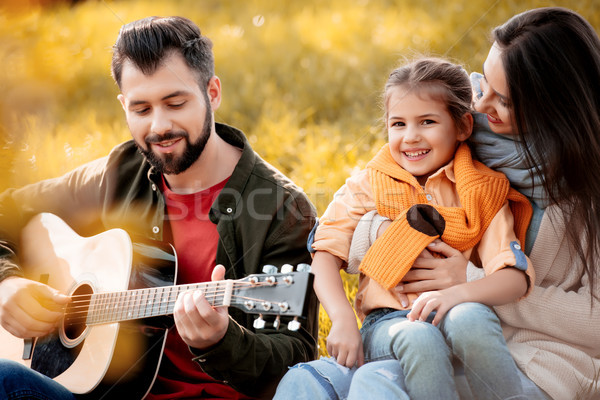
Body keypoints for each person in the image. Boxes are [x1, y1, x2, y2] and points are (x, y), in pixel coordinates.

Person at [280, 6, 600, 400]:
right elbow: (340, 233)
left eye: (504, 100)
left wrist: (466, 281)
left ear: (552, 109)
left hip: (533, 357)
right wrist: (387, 238)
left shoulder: (489, 180)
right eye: (484, 85)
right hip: (409, 326)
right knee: (308, 383)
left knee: (386, 375)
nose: (480, 107)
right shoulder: (457, 125)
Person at [0, 16, 318, 399]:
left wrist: (222, 341)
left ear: (212, 92)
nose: (160, 126)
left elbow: (297, 358)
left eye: (175, 102)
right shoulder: (120, 172)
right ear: (123, 106)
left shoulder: (283, 209)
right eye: (141, 109)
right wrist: (8, 281)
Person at [275, 57, 536, 400]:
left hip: (456, 312)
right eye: (398, 124)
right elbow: (324, 254)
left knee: (471, 317)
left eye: (427, 121)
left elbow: (514, 277)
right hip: (387, 325)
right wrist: (341, 319)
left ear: (463, 127)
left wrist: (457, 292)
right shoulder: (368, 185)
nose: (410, 137)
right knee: (418, 336)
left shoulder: (481, 190)